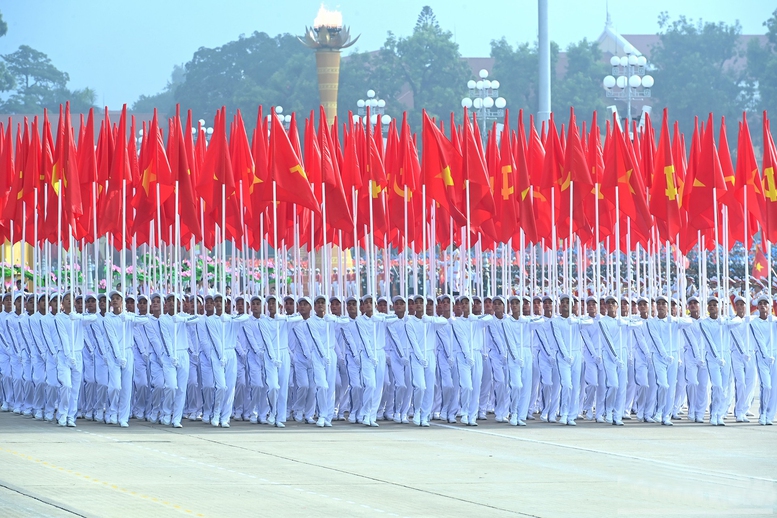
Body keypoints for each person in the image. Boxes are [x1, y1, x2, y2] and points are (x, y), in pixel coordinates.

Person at [726, 296, 756, 422]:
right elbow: (732, 327)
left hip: (751, 354)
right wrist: (740, 319)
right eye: (737, 304)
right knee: (741, 383)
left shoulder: (752, 320)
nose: (739, 306)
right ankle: (739, 412)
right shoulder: (733, 320)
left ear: (746, 306)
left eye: (742, 304)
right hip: (737, 354)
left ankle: (744, 407)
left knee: (751, 383)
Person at [748, 295, 775, 425]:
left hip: (775, 356)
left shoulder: (774, 321)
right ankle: (763, 413)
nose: (763, 305)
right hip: (762, 357)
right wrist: (766, 355)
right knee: (767, 386)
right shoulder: (754, 322)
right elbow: (759, 340)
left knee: (774, 388)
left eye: (766, 303)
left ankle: (770, 415)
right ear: (757, 307)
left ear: (770, 306)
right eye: (761, 303)